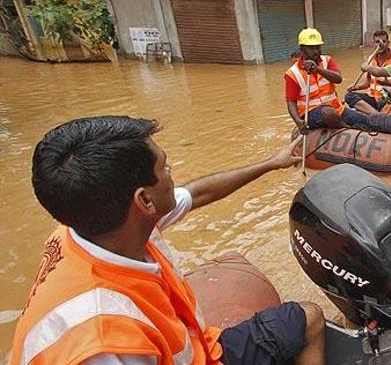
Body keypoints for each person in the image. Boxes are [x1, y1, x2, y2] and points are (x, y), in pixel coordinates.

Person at [11, 116, 326, 365]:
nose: (172, 175)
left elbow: (199, 193)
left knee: (302, 316)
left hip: (198, 349)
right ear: (144, 201)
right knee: (310, 319)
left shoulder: (89, 228)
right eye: (166, 167)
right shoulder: (107, 341)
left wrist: (271, 162)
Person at [284, 28, 362, 134]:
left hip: (337, 109)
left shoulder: (327, 61)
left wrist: (318, 69)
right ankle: (348, 130)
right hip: (310, 114)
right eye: (311, 48)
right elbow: (291, 102)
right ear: (302, 49)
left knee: (364, 120)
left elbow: (338, 79)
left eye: (318, 47)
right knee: (328, 113)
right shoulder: (292, 73)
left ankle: (354, 128)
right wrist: (298, 121)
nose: (316, 51)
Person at [345, 30, 391, 114]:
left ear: (388, 43)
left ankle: (374, 115)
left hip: (388, 99)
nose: (380, 44)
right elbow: (368, 83)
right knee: (349, 96)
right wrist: (357, 87)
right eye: (377, 42)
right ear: (374, 43)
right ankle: (376, 115)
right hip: (373, 98)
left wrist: (388, 83)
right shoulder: (371, 59)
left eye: (383, 41)